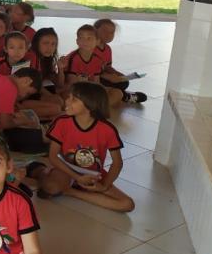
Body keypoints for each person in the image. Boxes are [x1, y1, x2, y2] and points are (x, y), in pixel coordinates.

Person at [27, 81, 135, 212]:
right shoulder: (62, 122)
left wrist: (104, 186)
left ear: (90, 105)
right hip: (66, 169)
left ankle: (71, 191)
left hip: (93, 175)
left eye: (74, 99)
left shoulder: (107, 129)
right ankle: (40, 171)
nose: (67, 101)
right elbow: (53, 156)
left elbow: (117, 163)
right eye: (69, 97)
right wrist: (77, 177)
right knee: (51, 188)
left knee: (127, 204)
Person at [61, 24, 147, 106]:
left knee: (117, 92)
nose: (85, 41)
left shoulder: (97, 59)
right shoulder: (73, 58)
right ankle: (96, 106)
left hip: (89, 88)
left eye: (89, 38)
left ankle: (97, 106)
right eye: (82, 38)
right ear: (77, 41)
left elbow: (97, 82)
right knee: (74, 97)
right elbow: (72, 84)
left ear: (97, 41)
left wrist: (104, 90)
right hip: (76, 90)